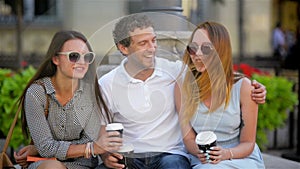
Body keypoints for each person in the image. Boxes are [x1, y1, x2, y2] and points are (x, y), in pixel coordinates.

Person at [98, 13, 266, 169]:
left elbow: (219, 73)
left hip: (171, 154)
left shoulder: (174, 72)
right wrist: (106, 155)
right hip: (133, 155)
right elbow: (103, 131)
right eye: (143, 43)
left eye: (154, 40)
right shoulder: (107, 84)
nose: (152, 48)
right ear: (123, 48)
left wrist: (253, 87)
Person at [13, 30, 122, 169]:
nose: (82, 62)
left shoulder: (92, 93)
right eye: (74, 56)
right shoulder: (37, 93)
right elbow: (46, 148)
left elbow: (91, 140)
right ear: (55, 59)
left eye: (87, 57)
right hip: (47, 163)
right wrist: (90, 148)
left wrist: (44, 147)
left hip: (83, 165)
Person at [175, 21, 265, 168]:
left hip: (239, 157)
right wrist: (203, 152)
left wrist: (226, 153)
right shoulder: (182, 87)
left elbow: (248, 143)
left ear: (220, 50)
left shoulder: (243, 88)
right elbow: (189, 139)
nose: (197, 54)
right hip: (202, 159)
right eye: (193, 48)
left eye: (206, 48)